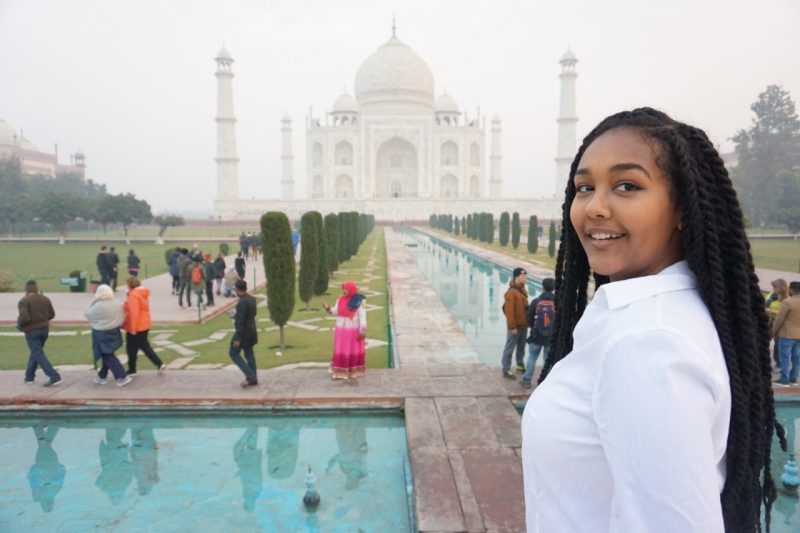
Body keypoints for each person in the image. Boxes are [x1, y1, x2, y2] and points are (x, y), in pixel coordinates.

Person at [521, 108, 785, 532]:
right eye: (584, 187)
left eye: (627, 186)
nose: (594, 208)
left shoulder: (648, 343)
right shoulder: (654, 317)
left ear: (683, 206)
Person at [84, 284, 131, 387]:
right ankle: (102, 376)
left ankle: (122, 376)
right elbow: (123, 315)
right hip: (114, 331)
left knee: (106, 354)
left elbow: (87, 314)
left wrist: (93, 301)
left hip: (101, 333)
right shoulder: (117, 303)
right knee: (107, 353)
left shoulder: (98, 305)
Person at [17, 280, 61, 387]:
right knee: (36, 352)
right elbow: (52, 314)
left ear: (26, 290)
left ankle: (54, 376)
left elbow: (24, 318)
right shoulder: (45, 299)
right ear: (36, 288)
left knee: (38, 353)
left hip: (32, 331)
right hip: (44, 330)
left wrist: (19, 324)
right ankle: (29, 377)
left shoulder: (24, 301)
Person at [322, 281, 367, 380]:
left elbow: (362, 317)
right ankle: (340, 372)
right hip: (340, 330)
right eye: (343, 289)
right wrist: (329, 309)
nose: (344, 291)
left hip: (353, 330)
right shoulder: (340, 299)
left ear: (351, 289)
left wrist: (362, 331)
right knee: (340, 349)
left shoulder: (359, 301)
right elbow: (337, 311)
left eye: (346, 289)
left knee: (352, 350)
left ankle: (353, 371)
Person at [122, 276, 166, 376]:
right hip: (144, 324)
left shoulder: (133, 295)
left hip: (136, 326)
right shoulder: (141, 294)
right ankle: (158, 363)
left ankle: (132, 369)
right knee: (144, 346)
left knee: (131, 348)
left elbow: (134, 313)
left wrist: (132, 328)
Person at [521, 277, 555, 388]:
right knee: (547, 360)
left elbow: (529, 317)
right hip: (551, 336)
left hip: (536, 335)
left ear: (543, 287)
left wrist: (534, 327)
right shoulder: (557, 302)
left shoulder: (536, 301)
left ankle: (527, 380)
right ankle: (545, 383)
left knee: (532, 357)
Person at [229, 279, 258, 387]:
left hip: (243, 334)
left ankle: (251, 376)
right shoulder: (252, 299)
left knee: (233, 353)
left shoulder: (241, 302)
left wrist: (237, 339)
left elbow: (240, 323)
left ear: (237, 289)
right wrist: (237, 315)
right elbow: (252, 314)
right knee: (249, 353)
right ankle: (253, 379)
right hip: (252, 331)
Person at [500, 267, 528, 379]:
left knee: (521, 347)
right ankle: (506, 369)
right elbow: (509, 312)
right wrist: (512, 327)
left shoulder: (522, 289)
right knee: (510, 348)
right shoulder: (511, 293)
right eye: (523, 276)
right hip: (515, 327)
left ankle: (520, 366)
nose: (525, 278)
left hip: (523, 325)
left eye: (525, 275)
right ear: (516, 276)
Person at [771, 280, 800, 386]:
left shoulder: (788, 302)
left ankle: (784, 379)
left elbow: (779, 319)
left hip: (787, 334)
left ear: (791, 290)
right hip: (799, 335)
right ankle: (794, 378)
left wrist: (773, 332)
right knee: (797, 357)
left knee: (785, 357)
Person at [766, 278, 789, 368]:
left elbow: (783, 312)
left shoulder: (786, 299)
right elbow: (766, 301)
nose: (773, 289)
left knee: (778, 344)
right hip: (770, 321)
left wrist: (770, 311)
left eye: (774, 287)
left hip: (780, 323)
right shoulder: (772, 295)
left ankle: (779, 363)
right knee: (765, 340)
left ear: (780, 288)